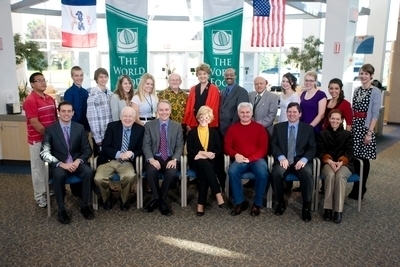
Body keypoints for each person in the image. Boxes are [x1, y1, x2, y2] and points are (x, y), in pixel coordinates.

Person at [40, 101, 94, 224]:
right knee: (59, 175)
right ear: (58, 112)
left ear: (73, 113)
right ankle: (61, 209)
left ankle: (85, 205)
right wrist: (61, 164)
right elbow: (44, 153)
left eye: (69, 111)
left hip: (76, 162)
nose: (66, 114)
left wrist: (78, 161)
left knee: (88, 172)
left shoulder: (79, 128)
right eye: (63, 111)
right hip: (60, 164)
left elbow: (87, 149)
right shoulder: (51, 130)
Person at [271, 102, 316, 222]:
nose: (291, 114)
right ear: (286, 113)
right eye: (289, 112)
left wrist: (304, 159)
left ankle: (306, 205)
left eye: (294, 112)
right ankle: (280, 202)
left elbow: (312, 148)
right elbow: (273, 145)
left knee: (307, 174)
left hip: (300, 160)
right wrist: (281, 157)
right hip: (284, 159)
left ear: (300, 114)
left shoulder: (308, 128)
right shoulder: (278, 127)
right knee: (276, 173)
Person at [95, 106, 144, 211]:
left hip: (127, 162)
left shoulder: (140, 129)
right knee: (98, 178)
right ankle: (107, 197)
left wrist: (132, 153)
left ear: (134, 118)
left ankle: (124, 198)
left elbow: (141, 149)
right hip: (109, 160)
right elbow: (105, 147)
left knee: (130, 176)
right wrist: (119, 154)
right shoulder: (112, 126)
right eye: (125, 116)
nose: (127, 118)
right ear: (121, 117)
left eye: (130, 116)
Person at [225, 102, 269, 216]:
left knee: (263, 173)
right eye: (242, 112)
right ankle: (240, 202)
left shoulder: (260, 128)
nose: (245, 115)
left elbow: (263, 148)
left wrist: (250, 158)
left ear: (252, 113)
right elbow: (227, 147)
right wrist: (235, 154)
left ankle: (257, 204)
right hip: (240, 159)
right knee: (232, 171)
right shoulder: (232, 129)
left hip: (256, 159)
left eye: (247, 112)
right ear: (238, 113)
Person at [142, 100, 184, 216]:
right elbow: (146, 144)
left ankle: (159, 199)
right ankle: (161, 202)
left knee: (171, 173)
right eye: (161, 110)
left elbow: (180, 145)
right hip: (155, 157)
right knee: (150, 172)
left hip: (170, 157)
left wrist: (175, 159)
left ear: (170, 111)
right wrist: (151, 159)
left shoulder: (177, 126)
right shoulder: (149, 126)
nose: (164, 112)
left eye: (166, 110)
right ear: (157, 111)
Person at [23, 72, 57, 208]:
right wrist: (49, 136)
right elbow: (35, 123)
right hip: (37, 140)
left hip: (51, 139)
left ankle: (50, 189)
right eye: (39, 81)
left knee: (52, 166)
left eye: (44, 80)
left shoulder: (49, 98)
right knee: (38, 168)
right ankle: (40, 196)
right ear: (32, 84)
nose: (43, 83)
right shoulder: (30, 100)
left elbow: (54, 119)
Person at [348, 63, 381, 200]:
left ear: (371, 76)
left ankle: (362, 187)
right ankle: (356, 186)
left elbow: (375, 114)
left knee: (364, 159)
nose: (363, 76)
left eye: (366, 74)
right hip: (356, 126)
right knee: (355, 158)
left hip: (366, 127)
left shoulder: (375, 91)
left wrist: (369, 133)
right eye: (361, 73)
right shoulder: (357, 90)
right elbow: (353, 109)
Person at [187, 106, 225, 216]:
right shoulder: (192, 133)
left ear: (210, 119)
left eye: (207, 118)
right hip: (196, 161)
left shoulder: (214, 133)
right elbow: (190, 150)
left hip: (211, 160)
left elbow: (218, 149)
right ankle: (217, 193)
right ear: (198, 118)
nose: (204, 120)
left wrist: (205, 155)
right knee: (205, 165)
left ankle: (200, 205)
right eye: (202, 117)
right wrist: (205, 153)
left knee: (205, 172)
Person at [317, 109, 354, 224]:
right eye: (333, 118)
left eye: (338, 119)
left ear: (341, 120)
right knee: (330, 174)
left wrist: (341, 162)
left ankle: (338, 210)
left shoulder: (347, 135)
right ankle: (328, 208)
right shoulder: (322, 134)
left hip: (345, 163)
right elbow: (320, 151)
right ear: (329, 119)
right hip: (328, 163)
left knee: (340, 176)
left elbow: (350, 152)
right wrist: (330, 161)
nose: (335, 121)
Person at [183, 63, 220, 131]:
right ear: (197, 75)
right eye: (200, 74)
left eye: (204, 74)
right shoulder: (193, 89)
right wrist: (188, 122)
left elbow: (214, 108)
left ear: (208, 75)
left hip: (207, 122)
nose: (202, 76)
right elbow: (189, 107)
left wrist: (208, 121)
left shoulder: (214, 89)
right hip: (194, 122)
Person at [87, 68, 113, 157]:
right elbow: (91, 117)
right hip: (100, 133)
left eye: (105, 77)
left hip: (110, 132)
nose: (103, 79)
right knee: (101, 158)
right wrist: (97, 137)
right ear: (96, 79)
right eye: (100, 77)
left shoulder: (110, 94)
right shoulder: (93, 95)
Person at [219, 68, 249, 137]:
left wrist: (233, 128)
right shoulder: (223, 91)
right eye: (226, 75)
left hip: (233, 129)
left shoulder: (242, 92)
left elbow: (241, 112)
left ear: (235, 76)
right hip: (221, 128)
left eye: (231, 75)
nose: (229, 77)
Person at [63, 66, 90, 131]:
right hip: (73, 126)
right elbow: (68, 111)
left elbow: (87, 109)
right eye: (76, 76)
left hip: (85, 125)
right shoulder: (69, 93)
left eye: (81, 75)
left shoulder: (85, 92)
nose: (79, 78)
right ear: (72, 77)